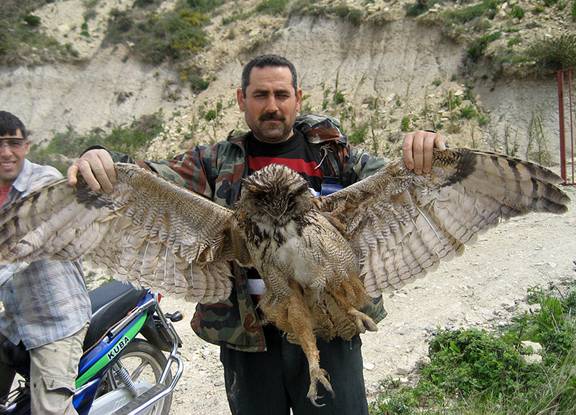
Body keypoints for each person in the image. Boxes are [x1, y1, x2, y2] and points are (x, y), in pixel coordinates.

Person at [68, 55, 444, 414]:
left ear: (298, 98)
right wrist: (100, 156)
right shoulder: (212, 163)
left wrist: (427, 148)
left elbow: (408, 182)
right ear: (241, 99)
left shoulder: (337, 158)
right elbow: (144, 180)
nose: (272, 105)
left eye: (281, 95)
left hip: (329, 325)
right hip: (248, 337)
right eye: (260, 95)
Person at [0, 111, 92, 415]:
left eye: (13, 143)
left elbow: (29, 239)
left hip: (56, 321)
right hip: (16, 318)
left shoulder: (45, 182)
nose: (5, 152)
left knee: (49, 411)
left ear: (26, 145)